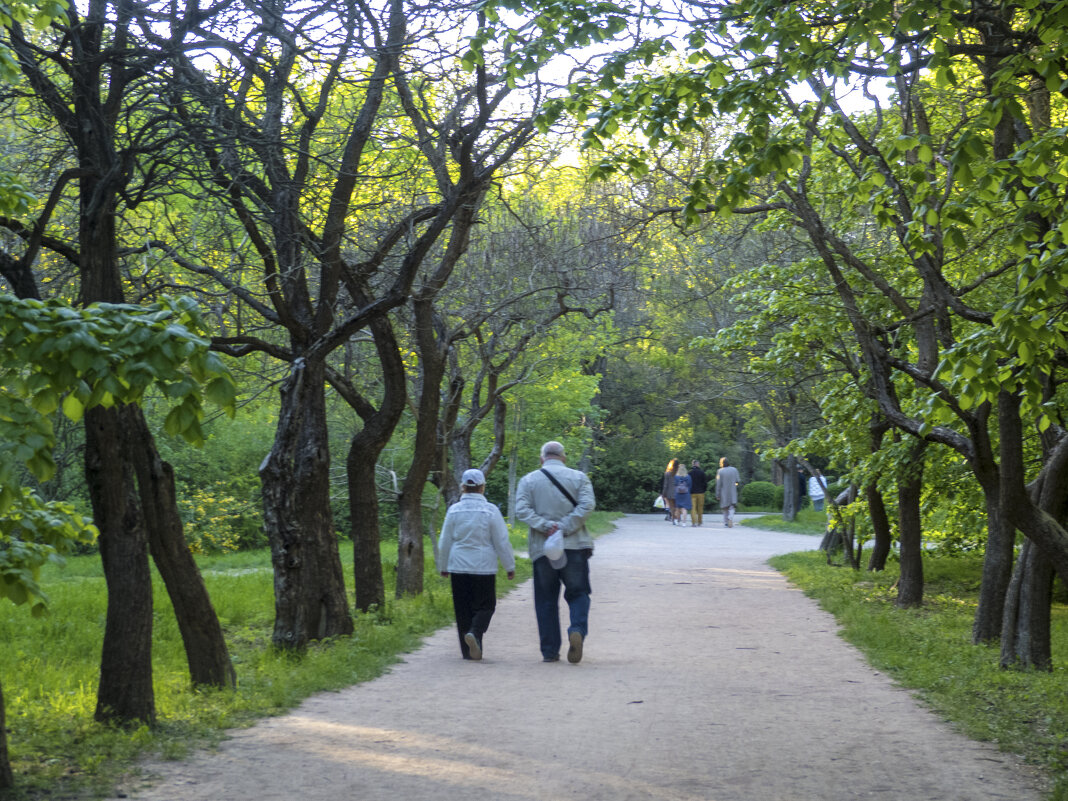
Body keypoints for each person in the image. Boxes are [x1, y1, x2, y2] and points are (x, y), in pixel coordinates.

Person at [515, 441, 596, 664]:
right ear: (564, 457)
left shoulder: (528, 480)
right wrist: (565, 526)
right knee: (578, 593)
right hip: (574, 546)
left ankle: (550, 651)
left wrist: (545, 526)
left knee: (545, 600)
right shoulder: (579, 478)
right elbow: (587, 506)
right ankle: (577, 629)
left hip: (543, 548)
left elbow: (521, 509)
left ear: (542, 459)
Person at [437, 468, 516, 661]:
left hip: (458, 566)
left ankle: (468, 651)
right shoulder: (491, 511)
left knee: (462, 609)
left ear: (462, 487)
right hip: (484, 567)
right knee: (486, 605)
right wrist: (509, 566)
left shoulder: (453, 510)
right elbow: (501, 541)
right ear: (482, 487)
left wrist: (443, 566)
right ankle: (475, 632)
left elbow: (445, 541)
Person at [715, 457, 740, 528]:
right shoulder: (734, 470)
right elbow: (737, 481)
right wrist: (734, 485)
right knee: (732, 506)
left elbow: (718, 484)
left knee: (725, 508)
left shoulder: (720, 471)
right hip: (732, 490)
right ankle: (730, 517)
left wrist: (718, 494)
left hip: (724, 492)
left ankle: (726, 522)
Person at [689, 460, 708, 526]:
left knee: (693, 508)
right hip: (701, 492)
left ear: (693, 465)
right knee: (700, 508)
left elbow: (688, 483)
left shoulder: (690, 473)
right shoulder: (702, 473)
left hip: (692, 493)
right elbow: (705, 483)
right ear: (698, 464)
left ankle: (694, 522)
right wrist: (704, 490)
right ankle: (700, 521)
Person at [661, 458, 679, 523]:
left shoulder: (667, 474)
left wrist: (663, 493)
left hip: (670, 493)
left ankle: (674, 519)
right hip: (679, 492)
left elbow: (665, 485)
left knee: (672, 507)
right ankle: (678, 518)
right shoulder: (679, 473)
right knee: (677, 506)